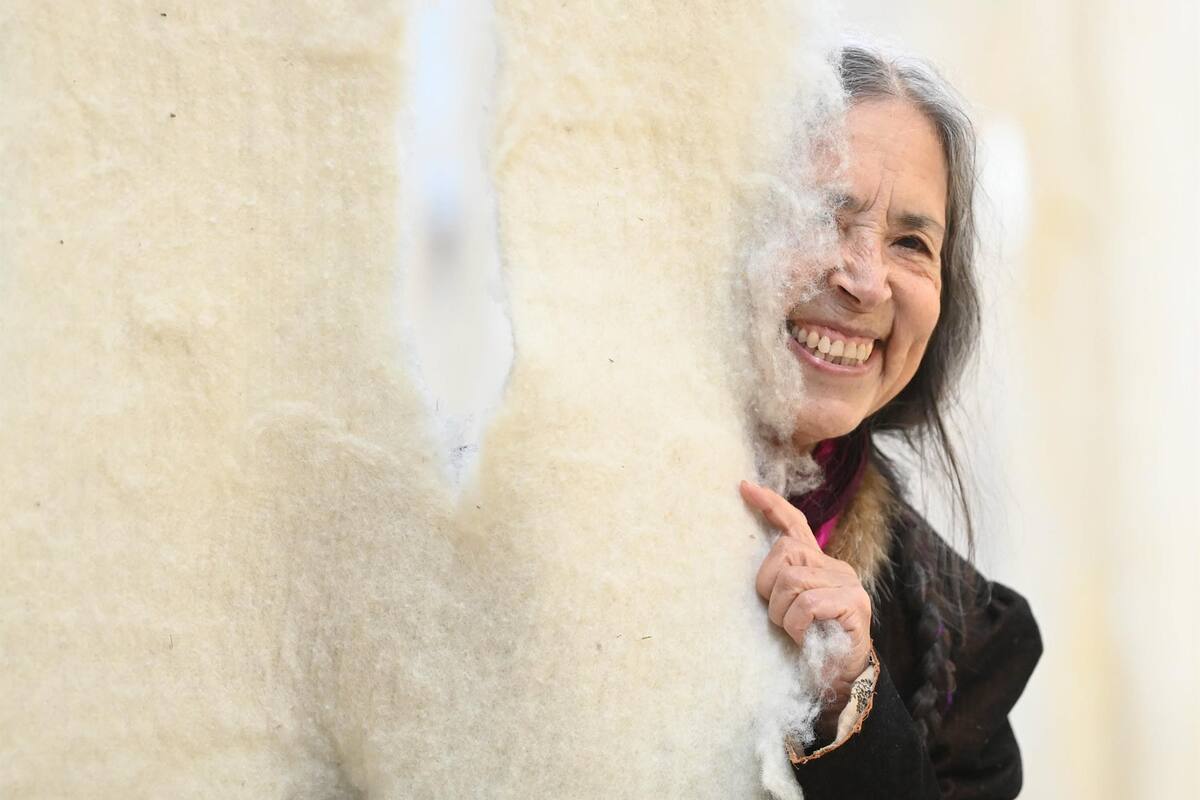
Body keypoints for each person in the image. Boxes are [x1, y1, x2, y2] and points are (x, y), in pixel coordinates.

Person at [739, 44, 1042, 799]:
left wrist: (850, 695)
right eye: (821, 215)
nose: (866, 280)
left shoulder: (972, 644)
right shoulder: (547, 499)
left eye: (911, 243)